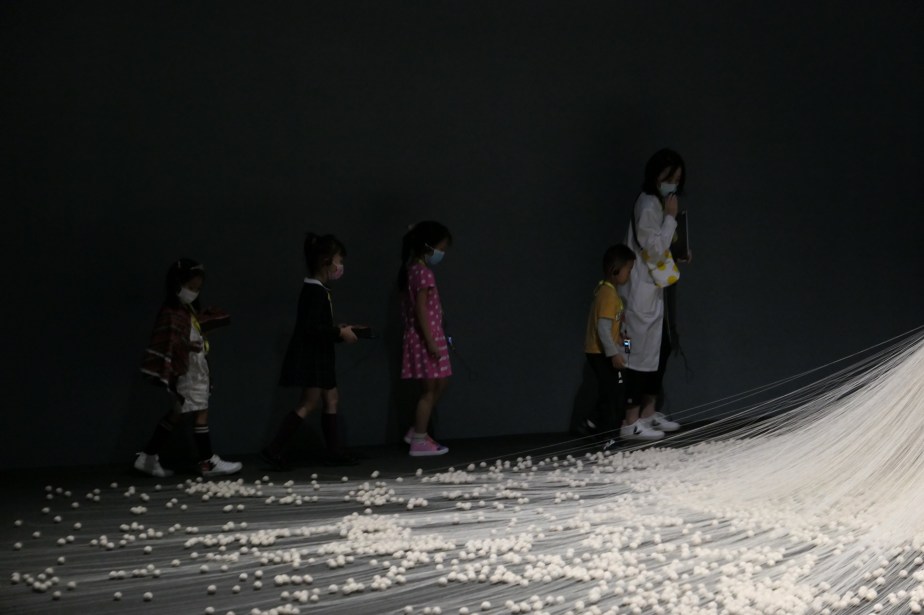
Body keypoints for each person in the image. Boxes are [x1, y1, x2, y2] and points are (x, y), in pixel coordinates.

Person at [262, 233, 361, 469]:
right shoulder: (314, 291)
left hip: (321, 355)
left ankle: (334, 451)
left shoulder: (320, 290)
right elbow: (312, 328)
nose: (341, 266)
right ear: (326, 261)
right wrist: (339, 333)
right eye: (339, 260)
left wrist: (339, 330)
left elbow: (319, 327)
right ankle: (274, 449)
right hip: (313, 356)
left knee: (331, 398)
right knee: (309, 402)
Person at [138, 259, 243, 477]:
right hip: (186, 371)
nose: (194, 292)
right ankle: (207, 462)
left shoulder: (187, 310)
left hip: (193, 367)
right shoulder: (171, 312)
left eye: (197, 289)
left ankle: (148, 456)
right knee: (200, 410)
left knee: (178, 412)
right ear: (177, 284)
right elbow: (170, 342)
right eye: (191, 287)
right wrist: (188, 345)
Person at [620, 149, 686, 440]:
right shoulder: (648, 204)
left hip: (651, 292)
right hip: (638, 295)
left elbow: (660, 247)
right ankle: (630, 421)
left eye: (677, 179)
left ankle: (647, 414)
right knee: (635, 355)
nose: (673, 184)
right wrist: (670, 219)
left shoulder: (656, 203)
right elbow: (654, 249)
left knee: (656, 351)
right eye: (669, 178)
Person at [398, 221, 453, 456]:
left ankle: (416, 431)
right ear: (428, 247)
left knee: (441, 382)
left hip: (431, 335)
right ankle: (419, 440)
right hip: (425, 337)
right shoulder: (422, 273)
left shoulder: (415, 270)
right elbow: (420, 309)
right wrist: (430, 341)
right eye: (441, 248)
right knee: (429, 390)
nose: (442, 253)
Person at [581, 244, 635, 438]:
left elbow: (611, 327)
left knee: (614, 388)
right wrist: (614, 354)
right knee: (613, 389)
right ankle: (605, 431)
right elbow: (602, 329)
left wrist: (621, 340)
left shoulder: (610, 293)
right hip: (599, 352)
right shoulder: (608, 295)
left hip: (603, 351)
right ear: (616, 269)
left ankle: (594, 422)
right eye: (628, 269)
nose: (629, 274)